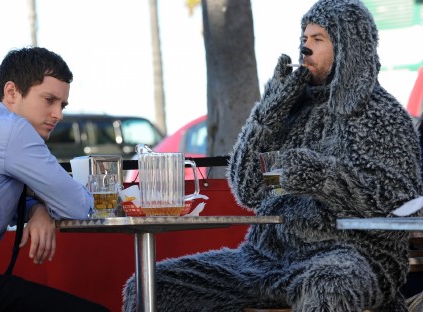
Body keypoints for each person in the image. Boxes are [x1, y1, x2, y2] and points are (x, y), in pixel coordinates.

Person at [122, 0, 422, 311]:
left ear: (348, 47)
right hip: (264, 259)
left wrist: (319, 177)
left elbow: (396, 205)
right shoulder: (291, 108)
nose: (305, 49)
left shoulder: (381, 115)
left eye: (318, 40)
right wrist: (270, 110)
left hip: (353, 257)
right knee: (152, 287)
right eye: (304, 40)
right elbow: (248, 190)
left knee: (329, 285)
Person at [0, 47, 109, 311]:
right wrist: (46, 204)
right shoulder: (14, 130)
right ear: (12, 92)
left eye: (62, 105)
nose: (58, 114)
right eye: (49, 100)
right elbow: (78, 206)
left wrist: (36, 208)